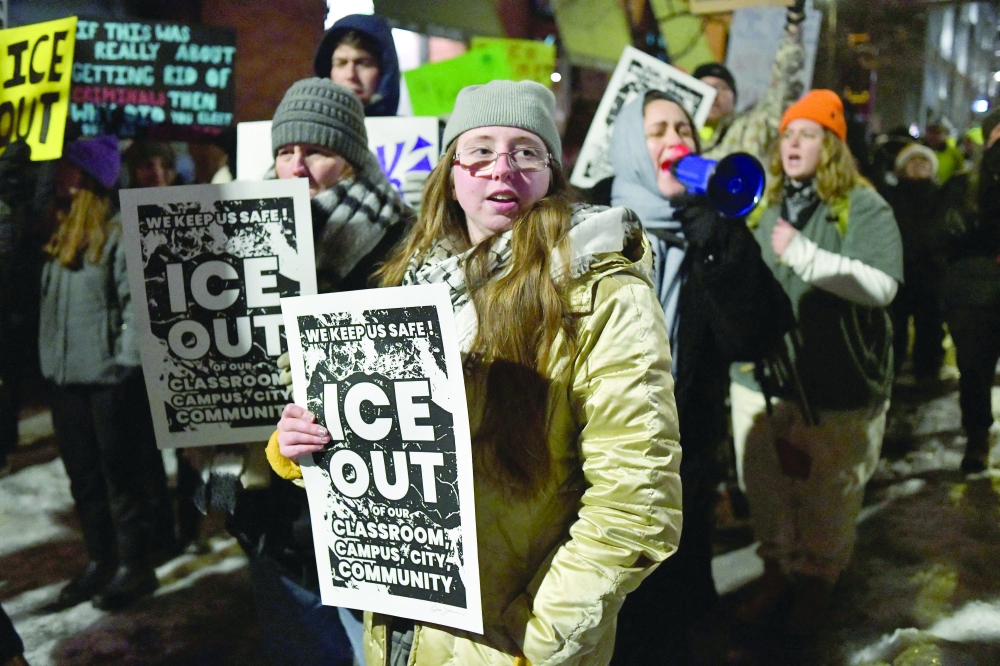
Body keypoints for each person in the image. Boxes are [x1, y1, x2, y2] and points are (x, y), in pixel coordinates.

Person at [268, 79, 683, 666]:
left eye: (526, 151)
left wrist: (530, 643)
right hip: (402, 632)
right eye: (481, 150)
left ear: (551, 174)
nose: (501, 169)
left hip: (505, 644)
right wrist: (300, 445)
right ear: (453, 171)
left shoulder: (602, 292)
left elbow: (637, 507)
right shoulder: (411, 278)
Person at [205, 78, 412, 666]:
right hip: (268, 501)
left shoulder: (396, 242)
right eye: (284, 151)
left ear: (350, 158)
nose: (296, 167)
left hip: (355, 496)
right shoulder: (229, 234)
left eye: (316, 151)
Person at [606, 91, 793, 663]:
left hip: (684, 468)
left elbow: (756, 331)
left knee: (673, 617)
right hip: (605, 472)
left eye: (684, 128)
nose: (674, 141)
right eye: (657, 130)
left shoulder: (711, 229)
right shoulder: (593, 228)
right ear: (633, 148)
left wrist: (713, 227)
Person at [729, 90, 903, 631]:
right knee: (765, 484)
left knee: (829, 491)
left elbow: (882, 286)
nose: (793, 143)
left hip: (837, 381)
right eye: (787, 134)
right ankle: (776, 570)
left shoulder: (863, 204)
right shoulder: (766, 204)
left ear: (832, 145)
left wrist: (804, 255)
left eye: (808, 133)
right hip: (765, 378)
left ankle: (816, 580)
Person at [39, 136, 172, 610]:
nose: (58, 175)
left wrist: (123, 368)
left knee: (121, 478)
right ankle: (102, 561)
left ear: (88, 176)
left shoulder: (118, 235)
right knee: (85, 479)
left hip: (107, 381)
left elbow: (139, 310)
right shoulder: (58, 236)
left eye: (67, 168)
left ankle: (136, 567)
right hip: (65, 380)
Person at [941, 108, 1000, 473]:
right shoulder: (964, 185)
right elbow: (944, 232)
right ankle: (977, 435)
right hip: (975, 294)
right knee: (975, 369)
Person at [694, 0, 807, 163]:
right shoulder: (675, 134)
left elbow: (784, 85)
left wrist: (794, 22)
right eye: (705, 87)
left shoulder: (750, 130)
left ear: (734, 97)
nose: (713, 94)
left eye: (721, 88)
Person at [883, 143, 958, 381]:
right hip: (899, 269)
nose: (919, 166)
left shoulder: (941, 196)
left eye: (924, 162)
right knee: (895, 326)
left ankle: (927, 371)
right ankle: (891, 369)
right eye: (912, 162)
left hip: (930, 271)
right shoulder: (892, 196)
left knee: (930, 326)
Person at [314, 14, 400, 117]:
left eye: (363, 64)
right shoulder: (309, 130)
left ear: (385, 72)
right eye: (341, 63)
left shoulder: (411, 131)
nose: (350, 75)